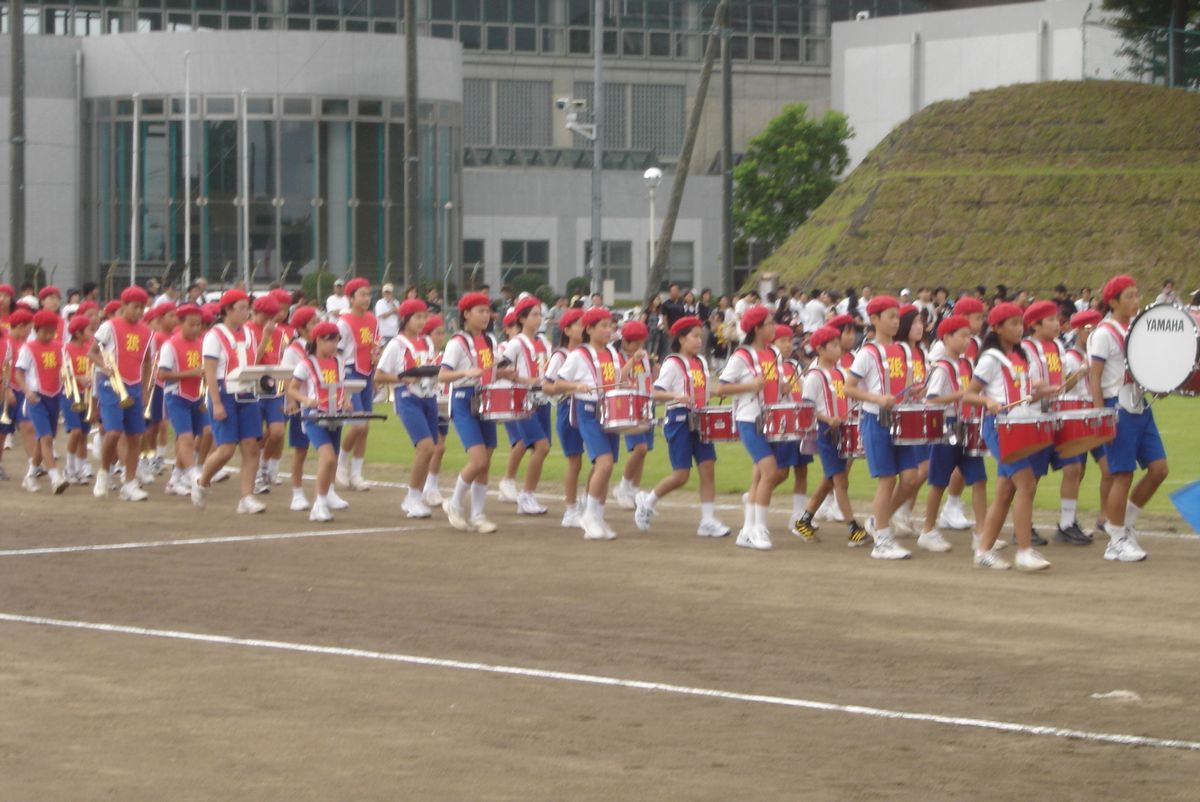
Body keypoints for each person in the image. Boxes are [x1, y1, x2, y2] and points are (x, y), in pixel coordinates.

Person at [970, 302, 1056, 571]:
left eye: (1021, 323)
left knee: (1006, 491)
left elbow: (1024, 393)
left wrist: (1042, 391)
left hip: (1018, 427)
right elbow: (969, 394)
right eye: (1014, 324)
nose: (1020, 329)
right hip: (999, 427)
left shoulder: (1020, 357)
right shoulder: (990, 359)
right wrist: (988, 402)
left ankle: (983, 551)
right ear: (997, 328)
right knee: (1026, 484)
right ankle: (1024, 550)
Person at [1088, 274, 1169, 563]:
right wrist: (1100, 415)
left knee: (1159, 469)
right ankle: (1116, 539)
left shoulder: (1135, 328)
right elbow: (1094, 376)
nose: (1137, 300)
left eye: (1137, 294)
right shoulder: (1103, 333)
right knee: (1122, 474)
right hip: (1117, 406)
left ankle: (1125, 524)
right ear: (1113, 301)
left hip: (1139, 405)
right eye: (1130, 296)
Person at [633, 315, 730, 537]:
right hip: (678, 419)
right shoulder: (672, 363)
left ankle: (707, 521)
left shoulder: (701, 362)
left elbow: (701, 388)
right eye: (694, 336)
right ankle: (648, 501)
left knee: (708, 468)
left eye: (700, 336)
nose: (699, 341)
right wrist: (675, 394)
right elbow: (654, 392)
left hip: (701, 418)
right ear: (681, 339)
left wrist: (715, 392)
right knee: (681, 475)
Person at [843, 295, 921, 560]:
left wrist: (915, 392)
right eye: (890, 317)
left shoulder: (904, 351)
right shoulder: (867, 353)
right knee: (887, 479)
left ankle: (879, 521)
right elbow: (848, 387)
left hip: (901, 422)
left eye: (897, 317)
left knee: (911, 478)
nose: (895, 322)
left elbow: (905, 387)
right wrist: (877, 398)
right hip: (876, 420)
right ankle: (883, 542)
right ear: (874, 320)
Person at [554, 306, 630, 540]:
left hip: (610, 411)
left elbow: (616, 379)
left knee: (607, 468)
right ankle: (589, 515)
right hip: (587, 411)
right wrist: (576, 386)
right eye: (604, 326)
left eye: (611, 325)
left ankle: (597, 516)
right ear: (590, 329)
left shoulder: (611, 353)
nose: (610, 330)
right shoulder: (579, 355)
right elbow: (557, 384)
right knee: (604, 463)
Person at [439, 291, 511, 533]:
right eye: (479, 311)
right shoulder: (456, 343)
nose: (485, 315)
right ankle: (455, 503)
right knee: (478, 459)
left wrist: (501, 373)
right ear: (466, 314)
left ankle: (478, 514)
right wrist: (464, 373)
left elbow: (487, 370)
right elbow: (443, 374)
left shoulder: (489, 340)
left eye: (487, 311)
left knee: (487, 459)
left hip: (484, 399)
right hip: (462, 400)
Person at [917, 316, 990, 554]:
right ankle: (928, 530)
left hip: (966, 424)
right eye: (962, 335)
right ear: (947, 338)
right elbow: (932, 399)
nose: (968, 340)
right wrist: (960, 395)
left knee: (979, 479)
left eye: (969, 336)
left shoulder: (967, 365)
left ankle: (982, 533)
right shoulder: (942, 366)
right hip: (946, 427)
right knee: (939, 481)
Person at [791, 325, 869, 545]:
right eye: (833, 345)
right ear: (820, 349)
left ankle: (804, 520)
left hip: (841, 432)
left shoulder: (840, 374)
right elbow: (807, 409)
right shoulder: (814, 376)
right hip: (826, 433)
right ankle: (853, 528)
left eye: (838, 344)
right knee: (840, 480)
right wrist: (827, 419)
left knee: (830, 479)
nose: (838, 349)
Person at [192, 289, 266, 513]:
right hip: (224, 393)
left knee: (251, 446)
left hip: (247, 392)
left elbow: (253, 360)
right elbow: (210, 371)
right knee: (226, 449)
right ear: (227, 310)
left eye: (247, 308)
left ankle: (246, 497)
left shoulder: (250, 333)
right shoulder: (215, 335)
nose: (247, 312)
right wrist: (216, 402)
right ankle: (202, 482)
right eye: (241, 308)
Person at [717, 304, 782, 551]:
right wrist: (750, 386)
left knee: (759, 475)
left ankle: (747, 530)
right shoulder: (741, 356)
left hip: (770, 421)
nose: (773, 327)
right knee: (770, 471)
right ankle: (759, 528)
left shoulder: (772, 353)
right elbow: (721, 388)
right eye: (769, 323)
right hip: (749, 419)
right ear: (757, 328)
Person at [377, 298, 442, 519]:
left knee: (431, 448)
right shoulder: (396, 344)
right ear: (405, 319)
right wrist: (402, 377)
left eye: (425, 317)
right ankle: (412, 497)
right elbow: (378, 376)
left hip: (429, 397)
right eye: (418, 317)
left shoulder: (427, 342)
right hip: (408, 398)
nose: (422, 321)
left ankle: (416, 495)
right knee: (425, 446)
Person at [89, 286, 155, 501]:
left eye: (142, 308)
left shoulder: (147, 332)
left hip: (134, 386)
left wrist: (145, 390)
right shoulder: (109, 327)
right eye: (135, 307)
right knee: (114, 431)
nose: (139, 312)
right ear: (124, 306)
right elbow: (92, 352)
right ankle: (103, 473)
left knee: (135, 435)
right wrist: (104, 366)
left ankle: (129, 482)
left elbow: (147, 361)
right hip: (110, 385)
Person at [288, 321, 352, 522]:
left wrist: (347, 400)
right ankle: (319, 504)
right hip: (314, 417)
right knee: (328, 458)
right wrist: (306, 400)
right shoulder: (306, 364)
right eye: (329, 340)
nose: (333, 345)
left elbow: (342, 387)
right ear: (317, 340)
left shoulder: (339, 362)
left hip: (335, 415)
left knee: (332, 458)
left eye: (336, 340)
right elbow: (291, 388)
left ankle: (324, 499)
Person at [497, 296, 553, 516]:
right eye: (534, 315)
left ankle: (527, 494)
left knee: (541, 448)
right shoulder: (516, 343)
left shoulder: (544, 342)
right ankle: (526, 495)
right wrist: (525, 381)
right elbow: (501, 370)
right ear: (522, 318)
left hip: (542, 400)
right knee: (542, 446)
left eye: (540, 314)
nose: (538, 319)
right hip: (523, 400)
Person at [1062, 309, 1113, 535]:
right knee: (1076, 470)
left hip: (1094, 415)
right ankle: (1068, 519)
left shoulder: (1097, 355)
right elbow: (1062, 387)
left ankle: (1104, 516)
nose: (1093, 334)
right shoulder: (1070, 357)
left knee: (1109, 468)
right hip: (1076, 416)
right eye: (1089, 329)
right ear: (1079, 331)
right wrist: (1081, 372)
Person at [14, 310, 70, 494]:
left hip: (54, 397)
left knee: (44, 438)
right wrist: (27, 391)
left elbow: (64, 370)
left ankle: (30, 476)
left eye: (51, 331)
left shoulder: (59, 346)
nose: (47, 335)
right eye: (44, 331)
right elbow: (19, 373)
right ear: (36, 330)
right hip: (36, 398)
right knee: (46, 438)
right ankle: (56, 478)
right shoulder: (28, 348)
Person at [157, 305, 209, 497]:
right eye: (191, 324)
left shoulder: (203, 343)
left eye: (199, 325)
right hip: (177, 395)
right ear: (180, 323)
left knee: (202, 434)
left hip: (198, 395)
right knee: (185, 438)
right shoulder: (170, 345)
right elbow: (162, 374)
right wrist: (191, 373)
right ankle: (193, 475)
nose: (196, 328)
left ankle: (174, 481)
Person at [335, 278, 379, 491]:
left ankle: (357, 473)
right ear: (351, 298)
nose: (366, 298)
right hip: (351, 373)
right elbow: (338, 353)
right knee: (358, 423)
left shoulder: (373, 320)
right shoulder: (343, 323)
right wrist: (341, 384)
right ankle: (341, 463)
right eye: (361, 294)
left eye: (368, 294)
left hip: (367, 373)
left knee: (365, 427)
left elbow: (374, 346)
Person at [544, 307, 586, 529]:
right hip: (568, 409)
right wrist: (570, 388)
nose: (584, 328)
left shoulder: (590, 353)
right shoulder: (560, 355)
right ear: (567, 330)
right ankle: (570, 510)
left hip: (590, 409)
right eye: (579, 324)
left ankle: (588, 503)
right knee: (575, 461)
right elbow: (547, 386)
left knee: (601, 458)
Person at [611, 320, 655, 510]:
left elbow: (647, 377)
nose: (639, 347)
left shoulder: (643, 356)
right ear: (625, 342)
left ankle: (634, 489)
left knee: (644, 451)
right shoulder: (616, 356)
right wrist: (633, 360)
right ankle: (623, 486)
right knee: (640, 448)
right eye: (635, 343)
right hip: (627, 406)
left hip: (644, 403)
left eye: (641, 343)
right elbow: (617, 378)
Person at [246, 294, 287, 493]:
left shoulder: (280, 334)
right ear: (255, 313)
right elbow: (252, 360)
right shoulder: (247, 331)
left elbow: (283, 357)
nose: (269, 321)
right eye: (265, 316)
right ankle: (255, 476)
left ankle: (264, 465)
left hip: (273, 388)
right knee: (255, 435)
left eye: (273, 316)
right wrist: (265, 337)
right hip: (253, 387)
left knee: (278, 432)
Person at [280, 307, 319, 512]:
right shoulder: (294, 350)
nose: (317, 326)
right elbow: (288, 377)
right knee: (301, 450)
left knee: (327, 448)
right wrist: (291, 401)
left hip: (320, 403)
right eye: (313, 323)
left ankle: (326, 492)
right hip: (302, 404)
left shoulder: (321, 346)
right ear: (302, 328)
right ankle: (297, 493)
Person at [62, 314, 95, 486]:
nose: (91, 333)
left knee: (83, 433)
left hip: (86, 394)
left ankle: (81, 469)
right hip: (70, 394)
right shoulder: (66, 349)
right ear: (78, 332)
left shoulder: (89, 348)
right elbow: (62, 373)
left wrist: (90, 379)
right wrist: (78, 378)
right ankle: (69, 468)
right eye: (88, 330)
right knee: (75, 431)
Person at [421, 313, 450, 507]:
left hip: (444, 404)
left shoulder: (446, 356)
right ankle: (428, 487)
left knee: (440, 447)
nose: (441, 337)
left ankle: (430, 485)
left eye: (442, 333)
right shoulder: (425, 356)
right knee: (437, 446)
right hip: (431, 402)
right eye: (437, 333)